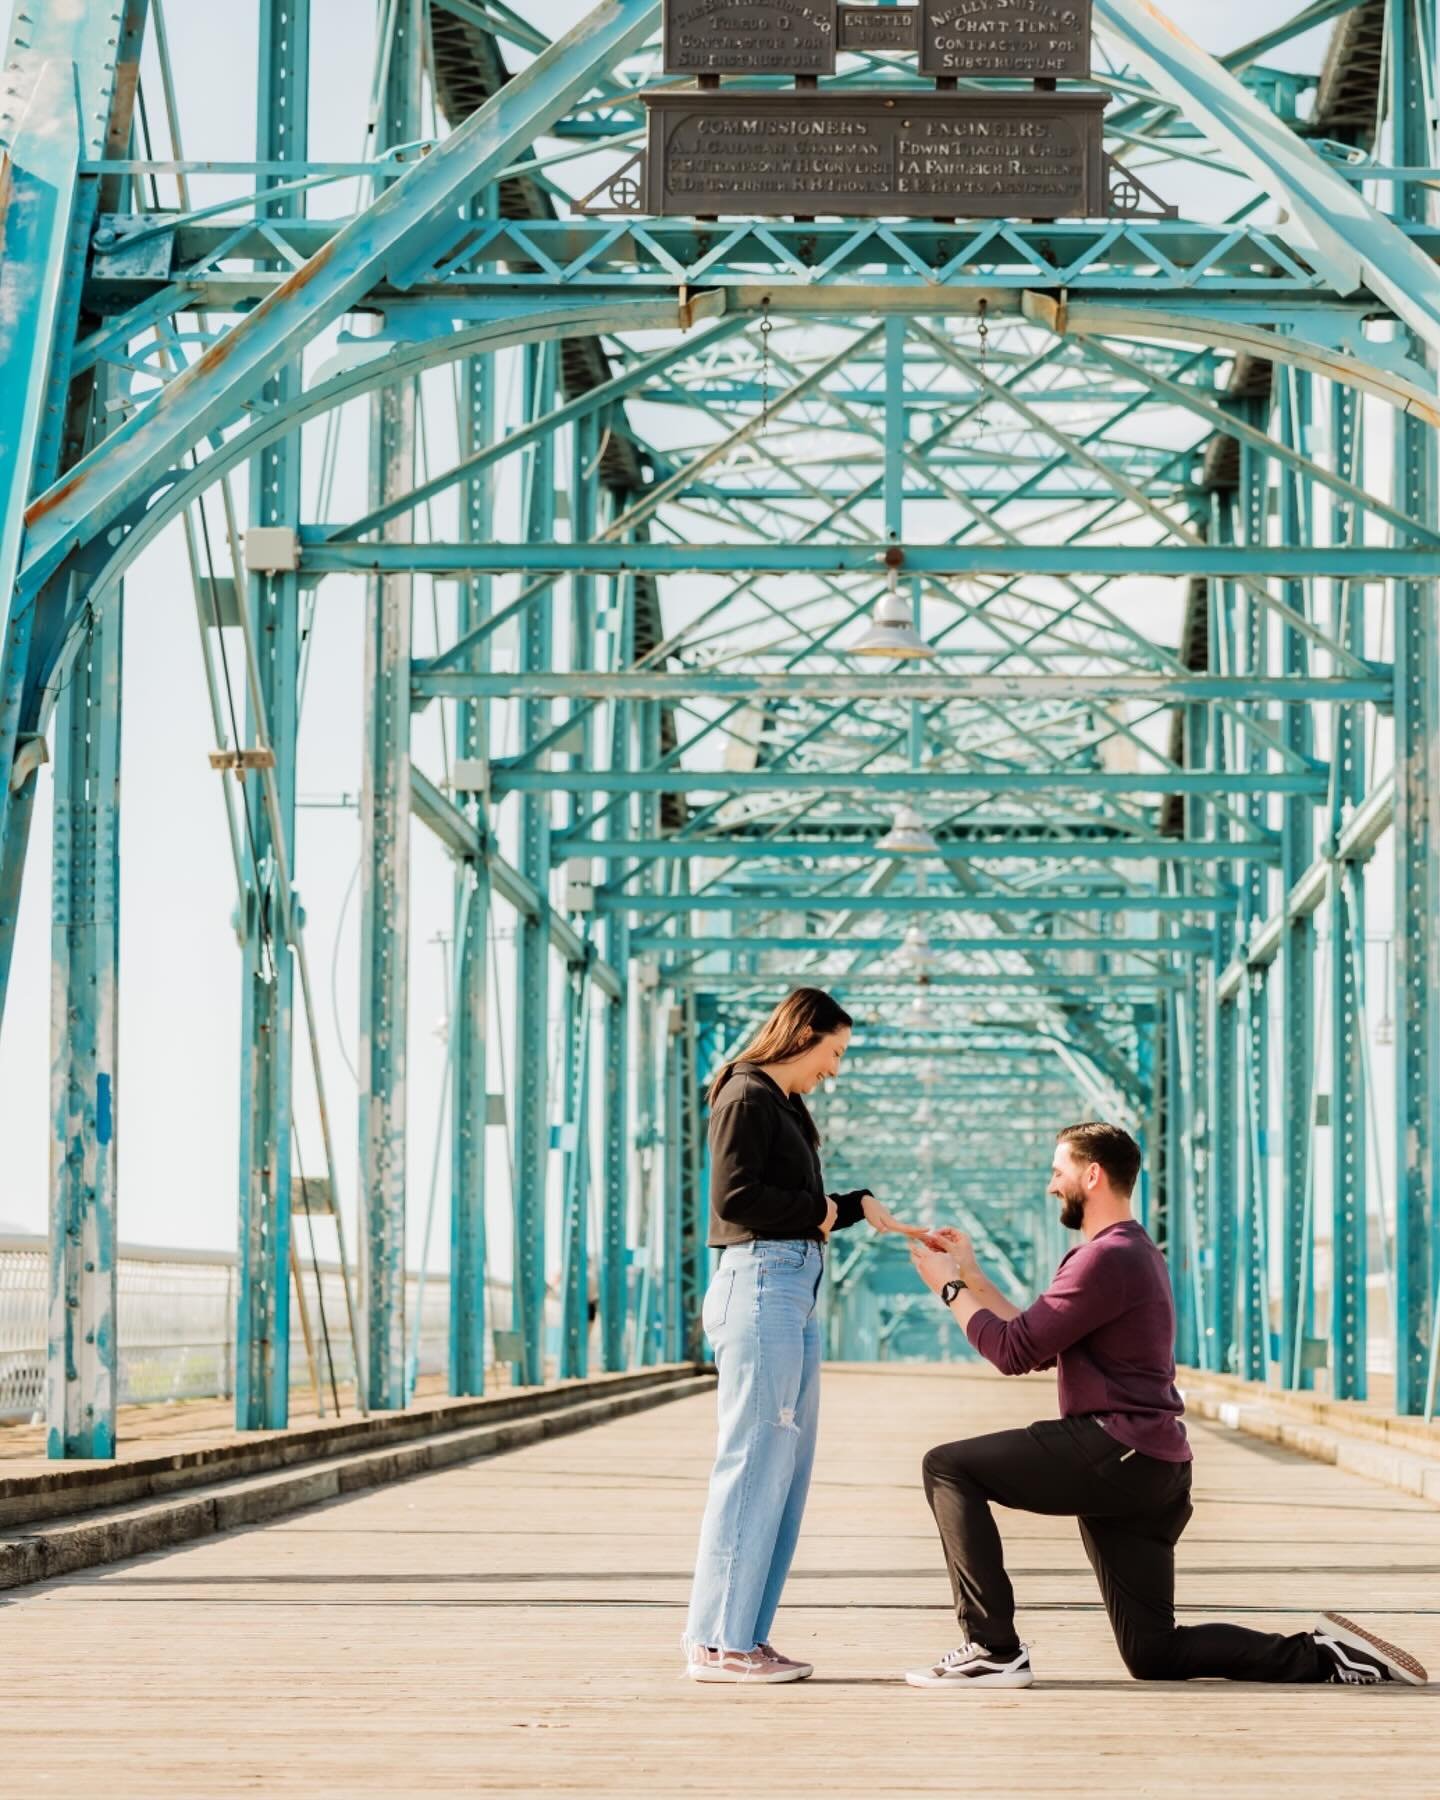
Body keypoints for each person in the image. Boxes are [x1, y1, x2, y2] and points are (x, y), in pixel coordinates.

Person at [903, 1120, 1428, 1693]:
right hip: (1151, 1466)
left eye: (1058, 1172)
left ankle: (991, 1648)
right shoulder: (1130, 1253)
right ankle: (1324, 1656)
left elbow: (1010, 1352)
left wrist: (948, 1289)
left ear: (1092, 1174)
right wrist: (972, 1274)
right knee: (1153, 1652)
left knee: (948, 1466)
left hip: (1116, 1448)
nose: (1051, 1185)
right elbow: (1033, 1342)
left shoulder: (1103, 1259)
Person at [683, 987, 919, 1685]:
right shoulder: (746, 1094)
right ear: (803, 1033)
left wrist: (852, 1206)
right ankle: (718, 1643)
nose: (835, 1069)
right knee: (754, 1461)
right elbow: (733, 1201)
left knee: (783, 1471)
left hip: (788, 1288)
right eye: (834, 1052)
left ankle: (746, 1633)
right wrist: (820, 1209)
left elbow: (791, 1207)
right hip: (760, 1284)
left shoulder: (782, 1106)